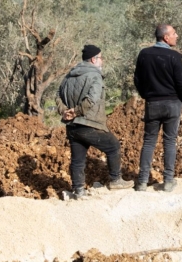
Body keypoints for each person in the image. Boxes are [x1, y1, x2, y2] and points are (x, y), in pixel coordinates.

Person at [57, 44, 134, 199]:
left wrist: (65, 111)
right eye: (101, 58)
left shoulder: (68, 76)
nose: (102, 61)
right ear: (93, 59)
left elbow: (57, 96)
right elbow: (92, 99)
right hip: (89, 123)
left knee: (78, 159)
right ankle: (115, 180)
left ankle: (78, 190)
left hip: (72, 126)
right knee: (113, 146)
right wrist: (77, 111)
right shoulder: (95, 76)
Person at [133, 24, 182, 192]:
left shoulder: (144, 54)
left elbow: (137, 79)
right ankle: (168, 181)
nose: (176, 36)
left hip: (153, 104)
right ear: (166, 37)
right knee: (169, 141)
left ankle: (142, 181)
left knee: (149, 141)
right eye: (174, 33)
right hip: (172, 104)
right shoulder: (174, 56)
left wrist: (146, 95)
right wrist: (181, 99)